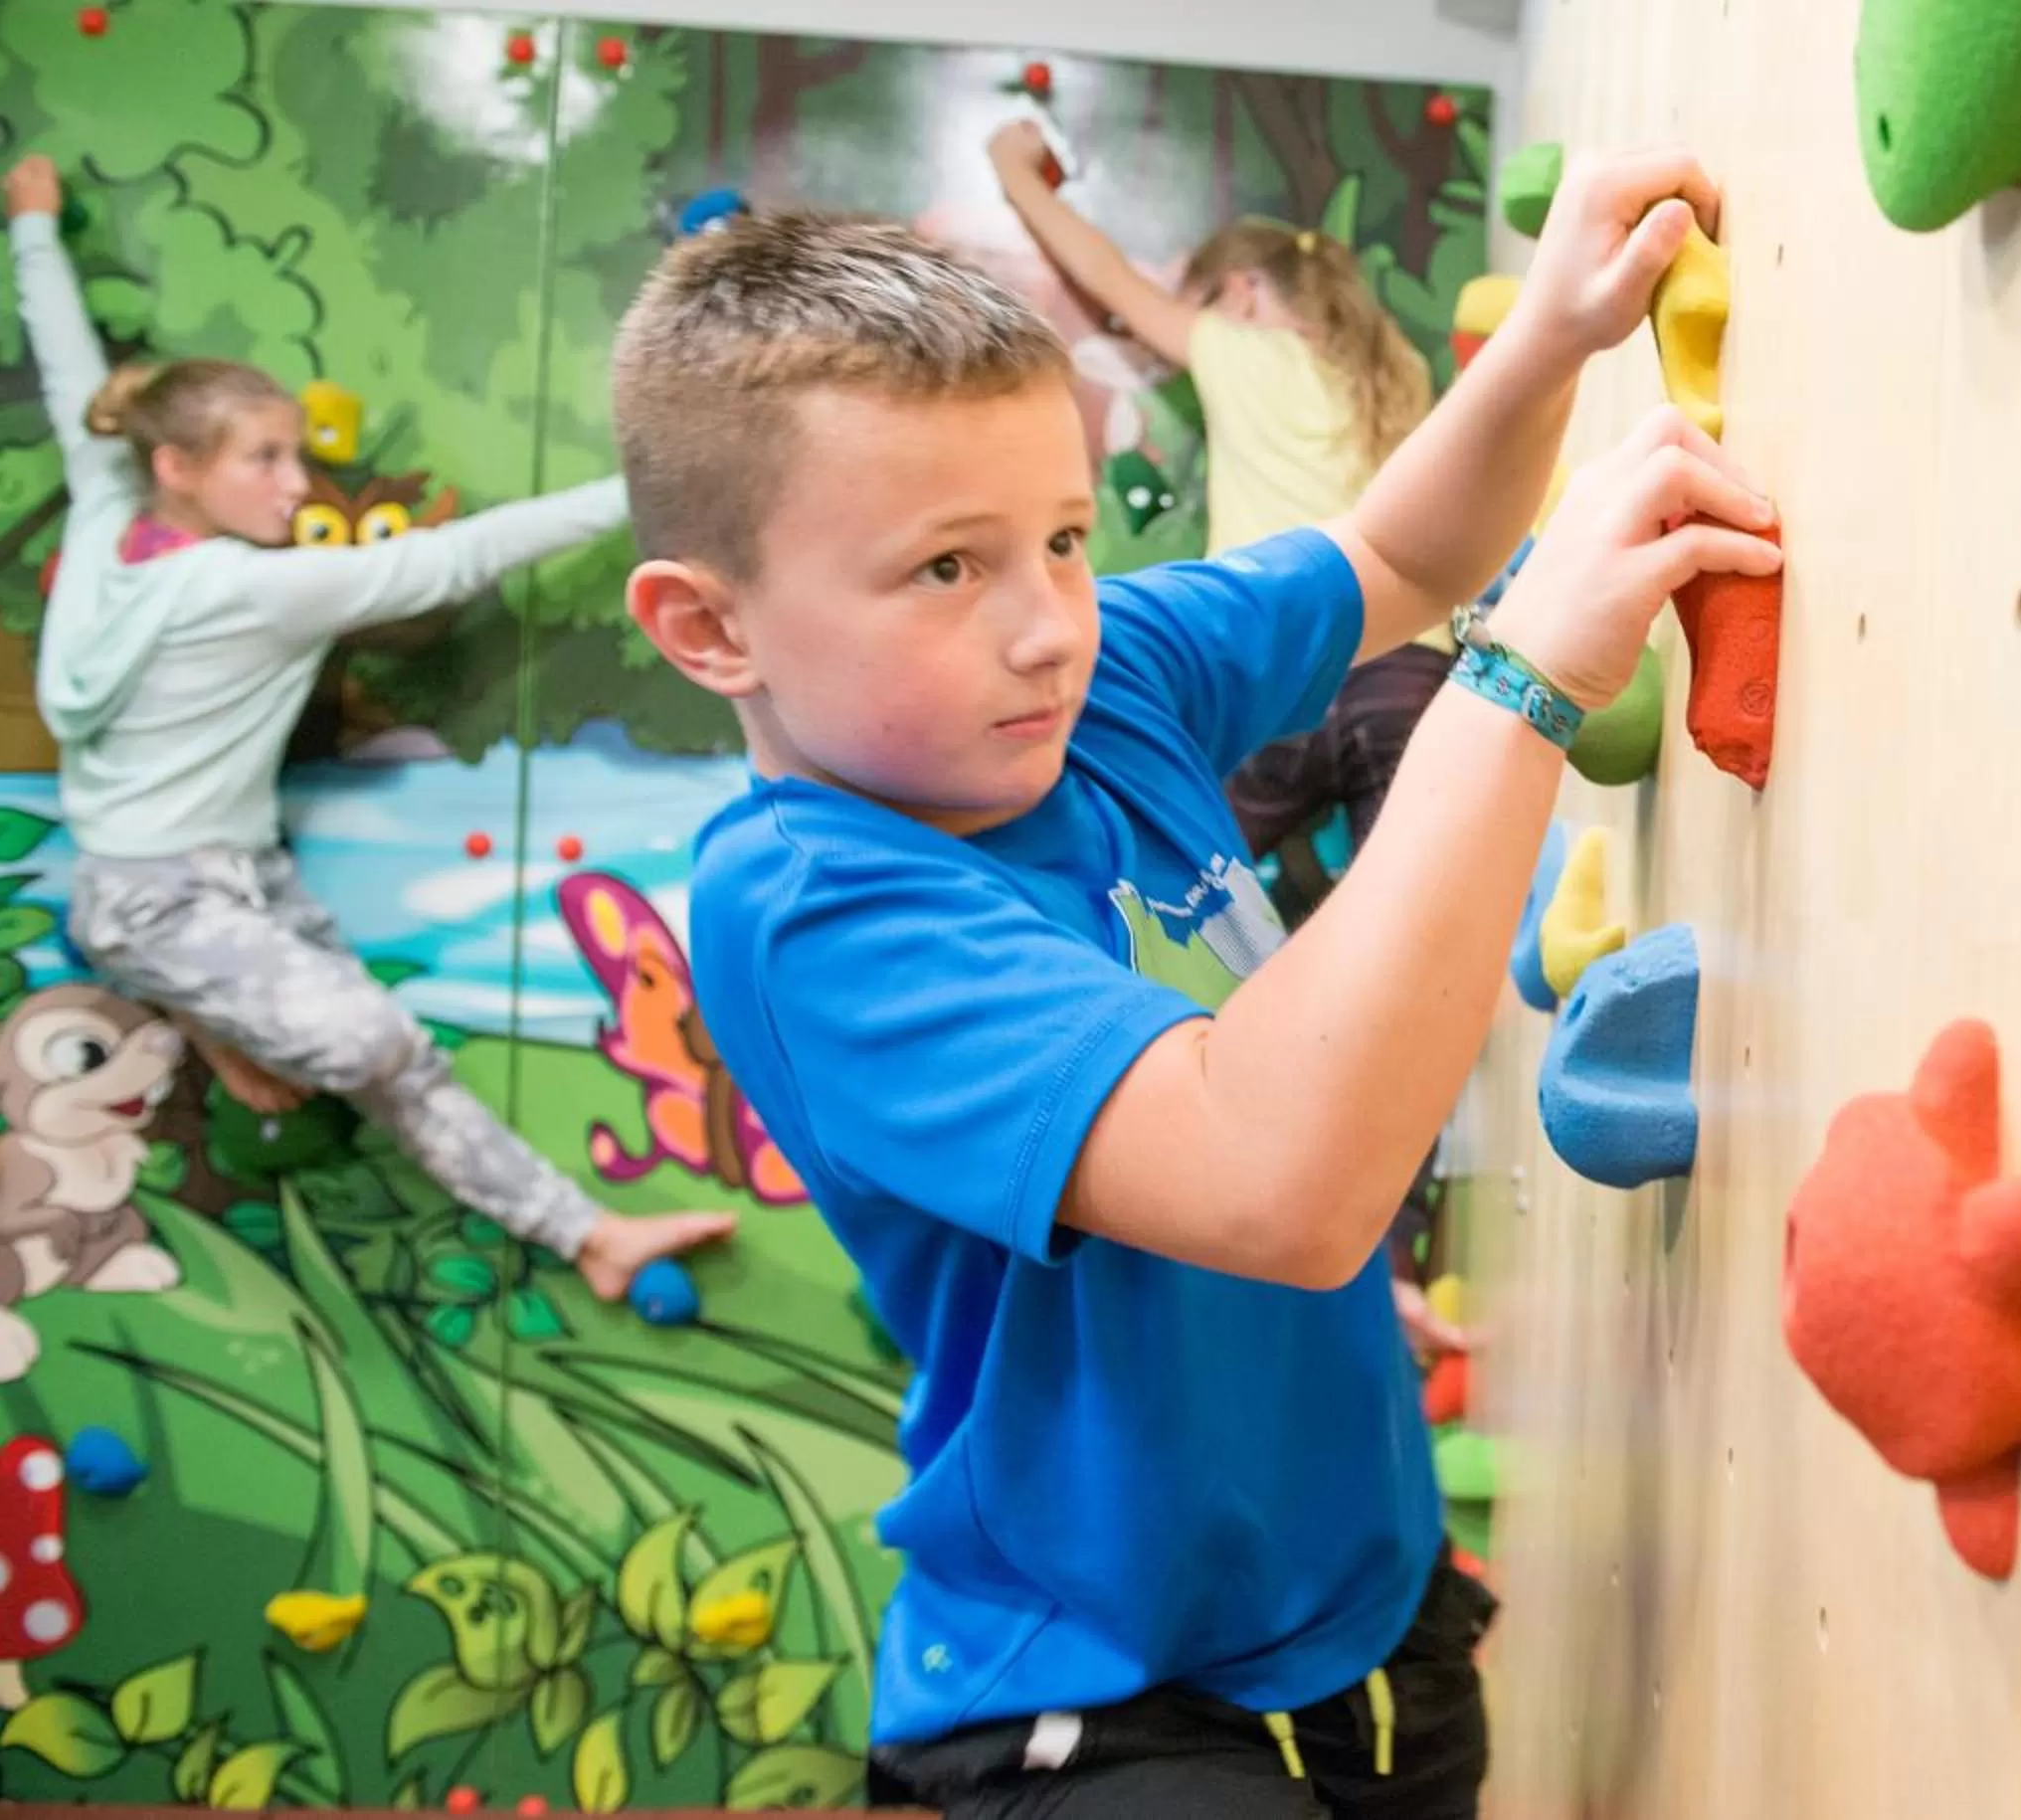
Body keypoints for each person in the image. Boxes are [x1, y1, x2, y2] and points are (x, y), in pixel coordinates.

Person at [614, 149, 1776, 1817]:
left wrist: (1549, 338)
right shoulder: (814, 901)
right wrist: (1524, 676)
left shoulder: (1103, 679)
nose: (1046, 624)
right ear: (710, 629)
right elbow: (1274, 1177)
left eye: (1064, 538)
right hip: (1104, 1704)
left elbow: (1398, 550)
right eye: (947, 568)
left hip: (1368, 1627)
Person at [2, 156, 733, 1299]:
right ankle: (191, 1004)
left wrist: (35, 231)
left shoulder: (108, 519)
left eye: (293, 453)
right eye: (266, 459)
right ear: (176, 468)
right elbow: (460, 556)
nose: (298, 485)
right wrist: (652, 500)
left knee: (405, 1066)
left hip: (227, 876)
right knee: (372, 1044)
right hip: (163, 902)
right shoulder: (251, 588)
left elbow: (70, 376)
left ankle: (589, 1236)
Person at [989, 124, 1469, 1351]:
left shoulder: (1239, 347)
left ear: (1244, 295)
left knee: (1153, 876)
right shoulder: (1394, 380)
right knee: (1407, 962)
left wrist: (1016, 179)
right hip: (1408, 678)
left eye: (1205, 301)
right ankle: (1396, 1265)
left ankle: (1127, 1110)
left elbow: (1107, 277)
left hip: (1283, 685)